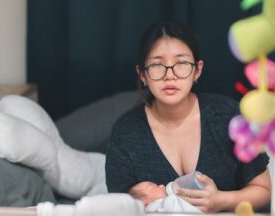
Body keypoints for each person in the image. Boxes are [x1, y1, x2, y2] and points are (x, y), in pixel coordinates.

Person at [105, 21, 271, 212]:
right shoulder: (125, 132)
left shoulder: (228, 116)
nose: (170, 75)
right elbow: (119, 207)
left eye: (181, 63)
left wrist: (221, 200)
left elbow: (264, 189)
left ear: (197, 70)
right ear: (142, 74)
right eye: (157, 65)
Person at [129, 181, 201, 213]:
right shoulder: (153, 208)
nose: (161, 186)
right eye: (155, 187)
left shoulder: (167, 202)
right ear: (144, 204)